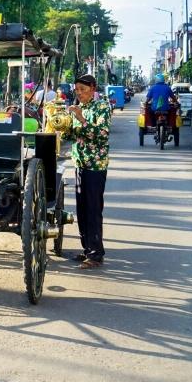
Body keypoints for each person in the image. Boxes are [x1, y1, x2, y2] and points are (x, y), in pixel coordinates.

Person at [67, 73, 111, 269]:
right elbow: (73, 134)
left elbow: (101, 134)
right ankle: (87, 249)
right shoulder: (80, 107)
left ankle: (96, 254)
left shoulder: (102, 107)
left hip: (95, 165)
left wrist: (81, 119)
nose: (80, 94)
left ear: (93, 89)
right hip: (80, 162)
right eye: (77, 90)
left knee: (93, 209)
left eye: (83, 90)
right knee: (82, 209)